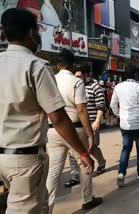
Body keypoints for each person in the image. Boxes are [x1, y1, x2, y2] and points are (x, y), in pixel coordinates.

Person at [0, 8, 94, 214]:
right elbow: (59, 119)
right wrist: (84, 152)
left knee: (42, 202)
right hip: (26, 158)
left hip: (4, 157)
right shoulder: (36, 66)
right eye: (38, 31)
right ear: (31, 33)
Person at [46, 50, 102, 213]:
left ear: (58, 65)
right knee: (84, 164)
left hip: (53, 130)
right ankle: (88, 199)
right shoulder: (76, 82)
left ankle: (47, 208)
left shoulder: (50, 80)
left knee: (54, 172)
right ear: (72, 65)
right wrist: (90, 134)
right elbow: (82, 110)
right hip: (75, 130)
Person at [110, 64, 139, 187]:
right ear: (136, 75)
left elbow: (113, 105)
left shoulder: (118, 87)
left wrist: (119, 114)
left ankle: (121, 173)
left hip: (125, 124)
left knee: (126, 148)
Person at [65, 71, 107, 187]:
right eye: (76, 76)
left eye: (79, 76)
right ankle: (75, 176)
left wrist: (97, 120)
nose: (77, 78)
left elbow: (101, 105)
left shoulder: (95, 87)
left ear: (86, 75)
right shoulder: (72, 86)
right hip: (75, 124)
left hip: (91, 122)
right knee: (73, 150)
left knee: (91, 148)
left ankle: (102, 162)